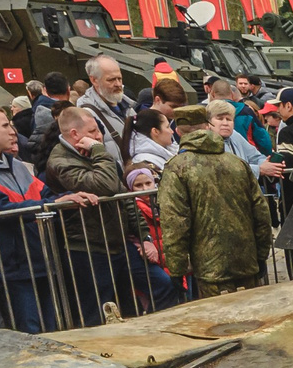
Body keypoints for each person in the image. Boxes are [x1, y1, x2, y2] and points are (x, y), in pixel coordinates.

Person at [0, 100, 96, 331]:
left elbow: (45, 193)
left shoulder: (17, 165)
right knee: (28, 332)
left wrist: (72, 196)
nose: (13, 131)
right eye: (5, 125)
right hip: (11, 267)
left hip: (39, 258)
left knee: (52, 329)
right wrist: (54, 203)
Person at [44, 105, 162, 313]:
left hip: (119, 243)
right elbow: (105, 186)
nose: (98, 136)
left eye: (98, 131)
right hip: (88, 248)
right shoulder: (60, 161)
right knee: (98, 311)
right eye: (92, 132)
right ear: (75, 134)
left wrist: (144, 235)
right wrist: (99, 151)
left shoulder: (98, 155)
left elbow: (123, 197)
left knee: (148, 294)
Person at [158, 102, 279, 300]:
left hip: (210, 268)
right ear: (207, 126)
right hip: (246, 261)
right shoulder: (237, 163)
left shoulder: (177, 168)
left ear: (178, 131)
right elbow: (261, 212)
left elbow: (175, 222)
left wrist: (177, 269)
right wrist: (261, 255)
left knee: (221, 324)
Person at [80, 56, 135, 162]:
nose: (118, 84)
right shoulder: (86, 115)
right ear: (94, 80)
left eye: (119, 78)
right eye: (111, 80)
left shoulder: (129, 107)